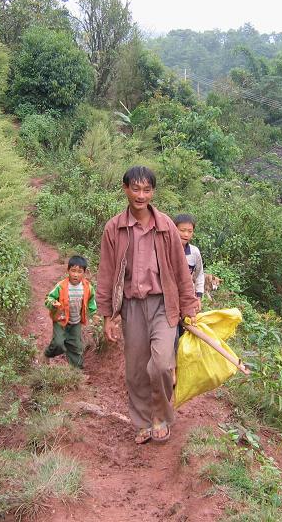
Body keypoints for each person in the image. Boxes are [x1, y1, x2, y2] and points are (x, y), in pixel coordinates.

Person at [96, 166, 198, 444]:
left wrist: (190, 309)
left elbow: (180, 271)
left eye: (147, 190)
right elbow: (105, 273)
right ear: (125, 188)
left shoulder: (166, 227)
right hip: (131, 307)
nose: (141, 195)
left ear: (153, 192)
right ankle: (142, 422)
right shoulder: (114, 229)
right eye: (136, 189)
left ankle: (161, 417)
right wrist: (108, 315)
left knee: (163, 365)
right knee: (137, 369)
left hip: (164, 305)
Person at [44, 255, 97, 369]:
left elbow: (92, 301)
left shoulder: (88, 287)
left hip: (75, 322)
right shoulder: (61, 286)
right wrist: (53, 303)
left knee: (76, 347)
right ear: (68, 270)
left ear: (84, 273)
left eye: (79, 271)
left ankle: (77, 370)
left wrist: (94, 314)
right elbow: (49, 298)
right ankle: (48, 354)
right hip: (60, 320)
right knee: (58, 343)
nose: (75, 274)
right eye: (73, 270)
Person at [173, 214, 204, 307]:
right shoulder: (166, 249)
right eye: (182, 230)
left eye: (190, 231)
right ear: (174, 229)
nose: (186, 234)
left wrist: (198, 297)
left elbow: (200, 274)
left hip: (187, 298)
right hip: (167, 297)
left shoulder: (194, 252)